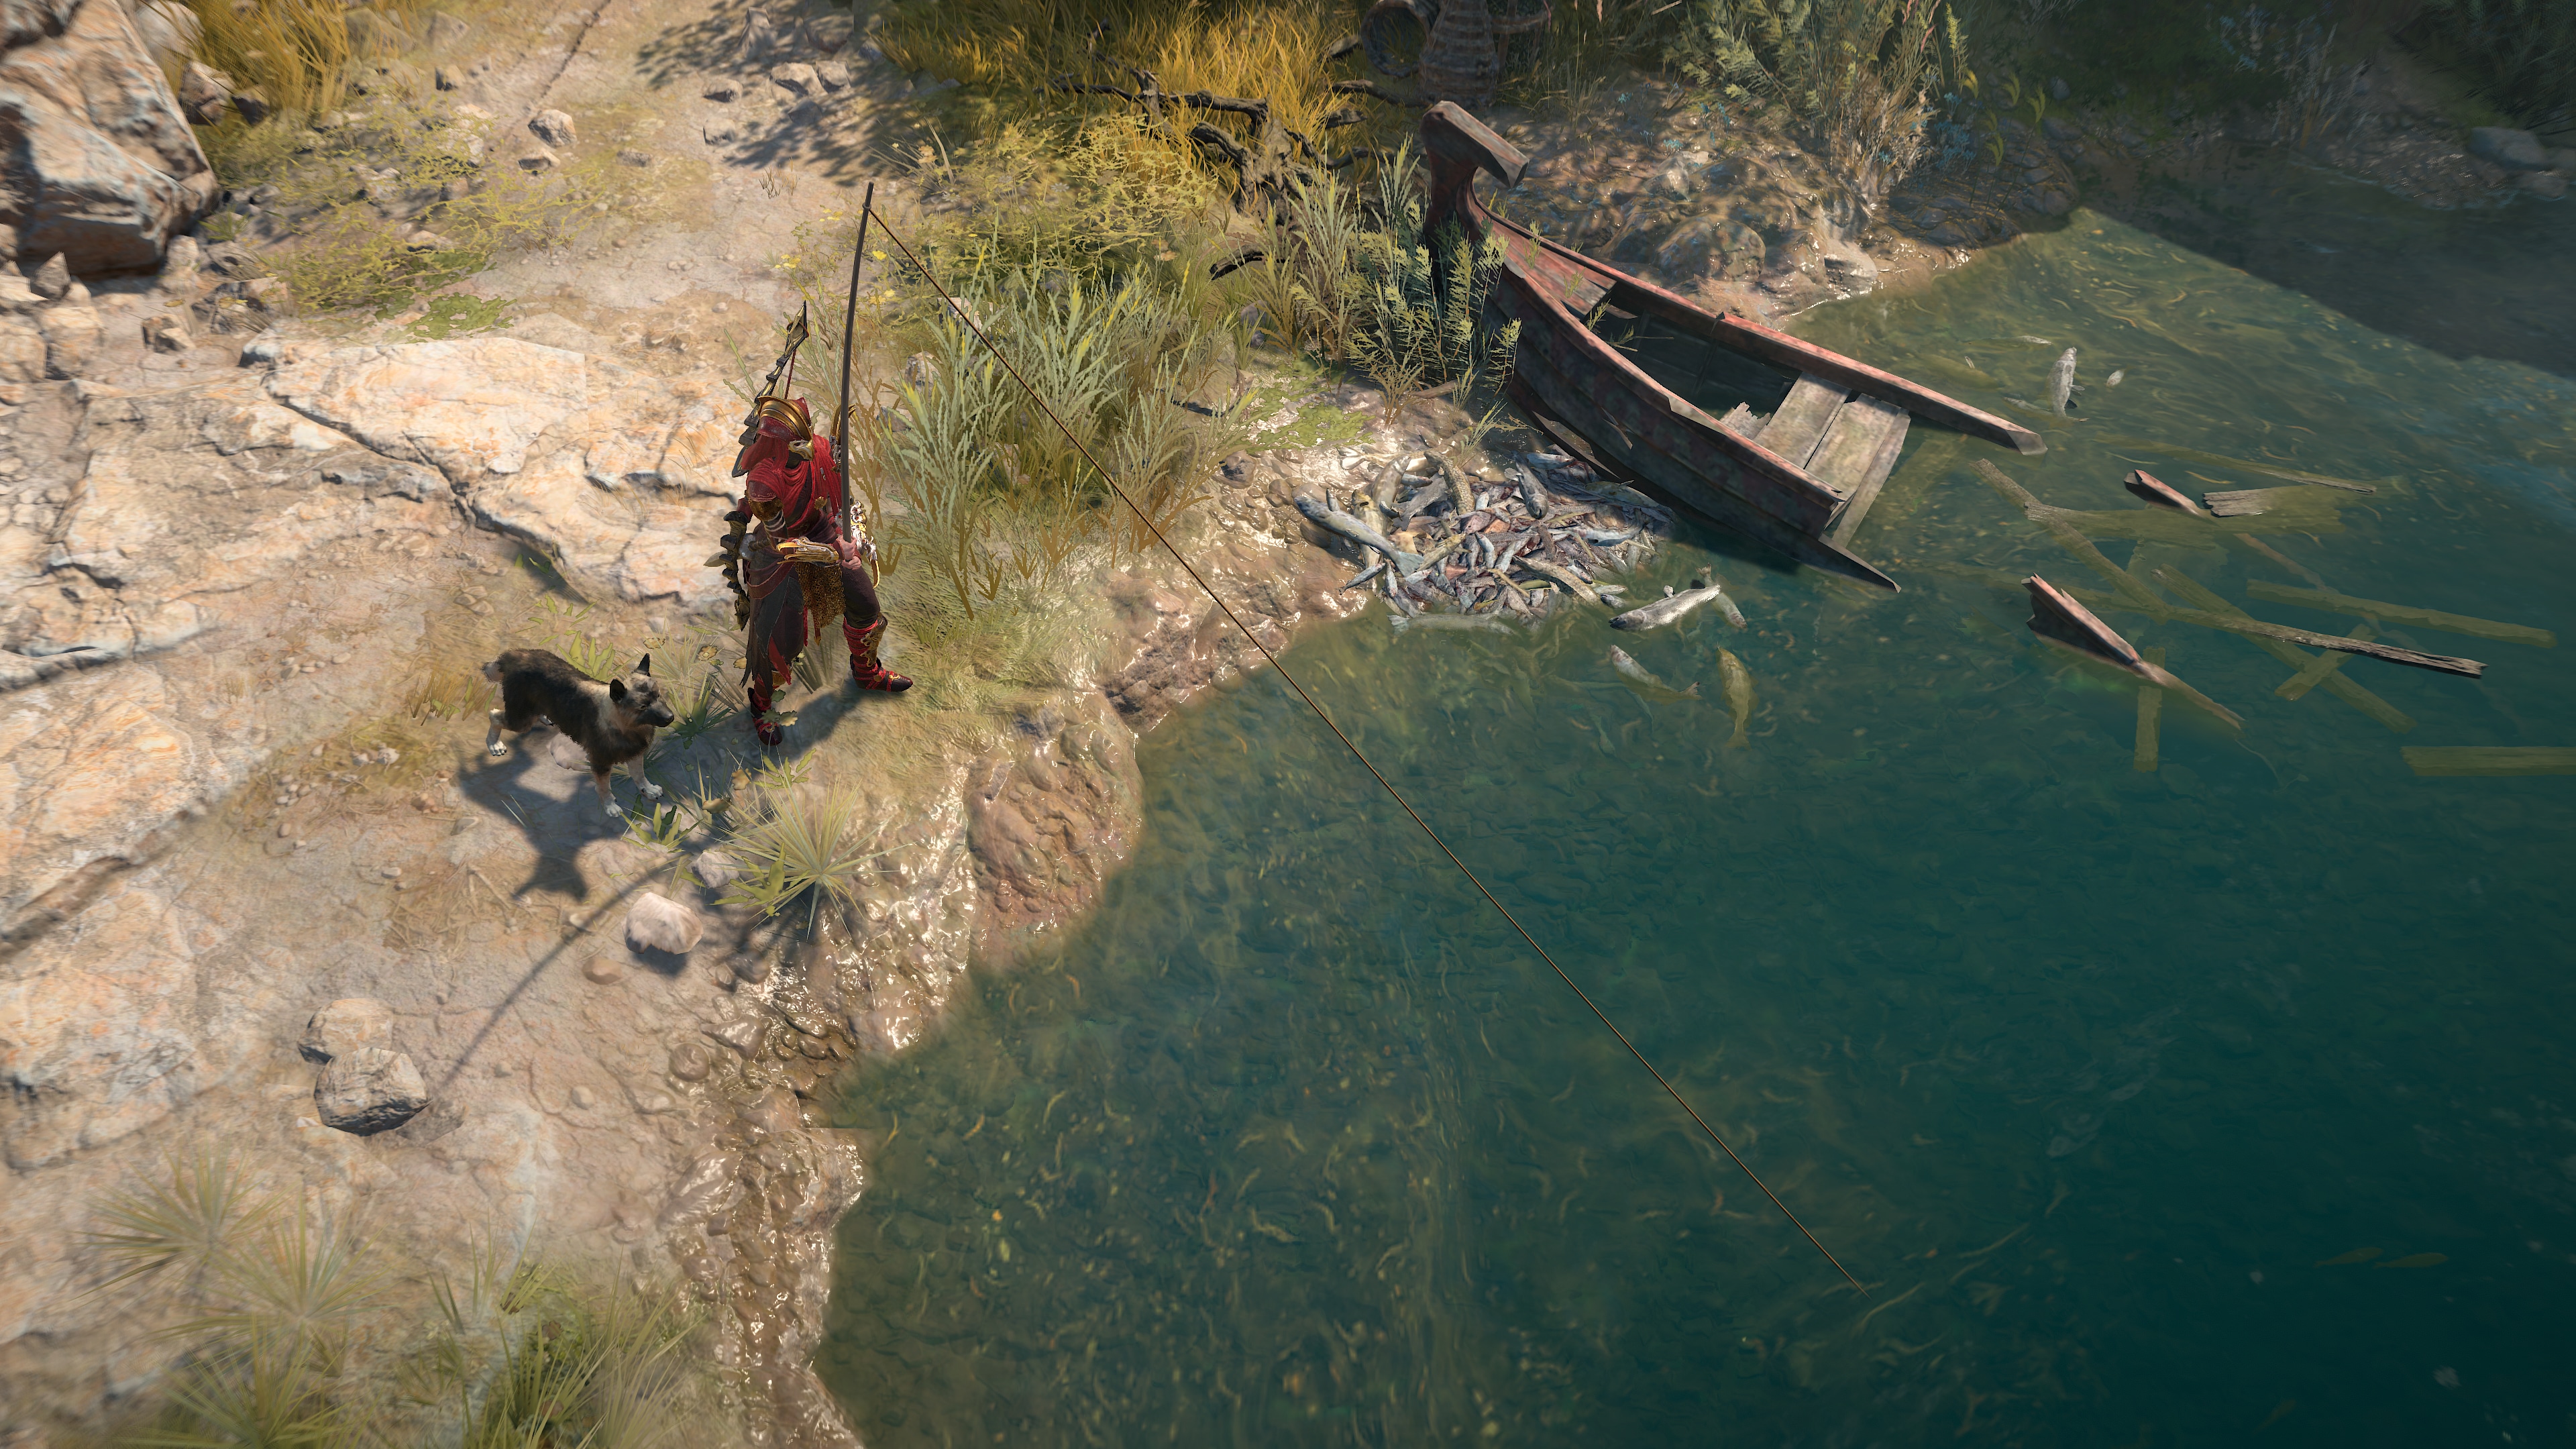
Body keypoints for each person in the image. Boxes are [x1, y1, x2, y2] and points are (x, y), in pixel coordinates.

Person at [725, 392, 910, 747]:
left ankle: (867, 673)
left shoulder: (820, 448)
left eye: (806, 437)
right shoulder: (763, 481)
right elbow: (781, 543)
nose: (806, 446)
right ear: (776, 444)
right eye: (795, 443)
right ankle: (762, 707)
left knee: (867, 609)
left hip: (826, 537)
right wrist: (831, 551)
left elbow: (840, 499)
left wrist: (847, 538)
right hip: (781, 560)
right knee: (781, 645)